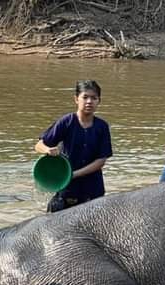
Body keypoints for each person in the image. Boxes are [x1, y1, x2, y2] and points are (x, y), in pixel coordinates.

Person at [34, 80, 113, 213]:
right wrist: (47, 150)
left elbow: (101, 161)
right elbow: (38, 145)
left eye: (94, 98)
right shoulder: (67, 122)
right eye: (85, 97)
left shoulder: (102, 127)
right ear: (76, 99)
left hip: (92, 189)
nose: (89, 102)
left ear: (99, 101)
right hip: (67, 189)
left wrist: (74, 174)